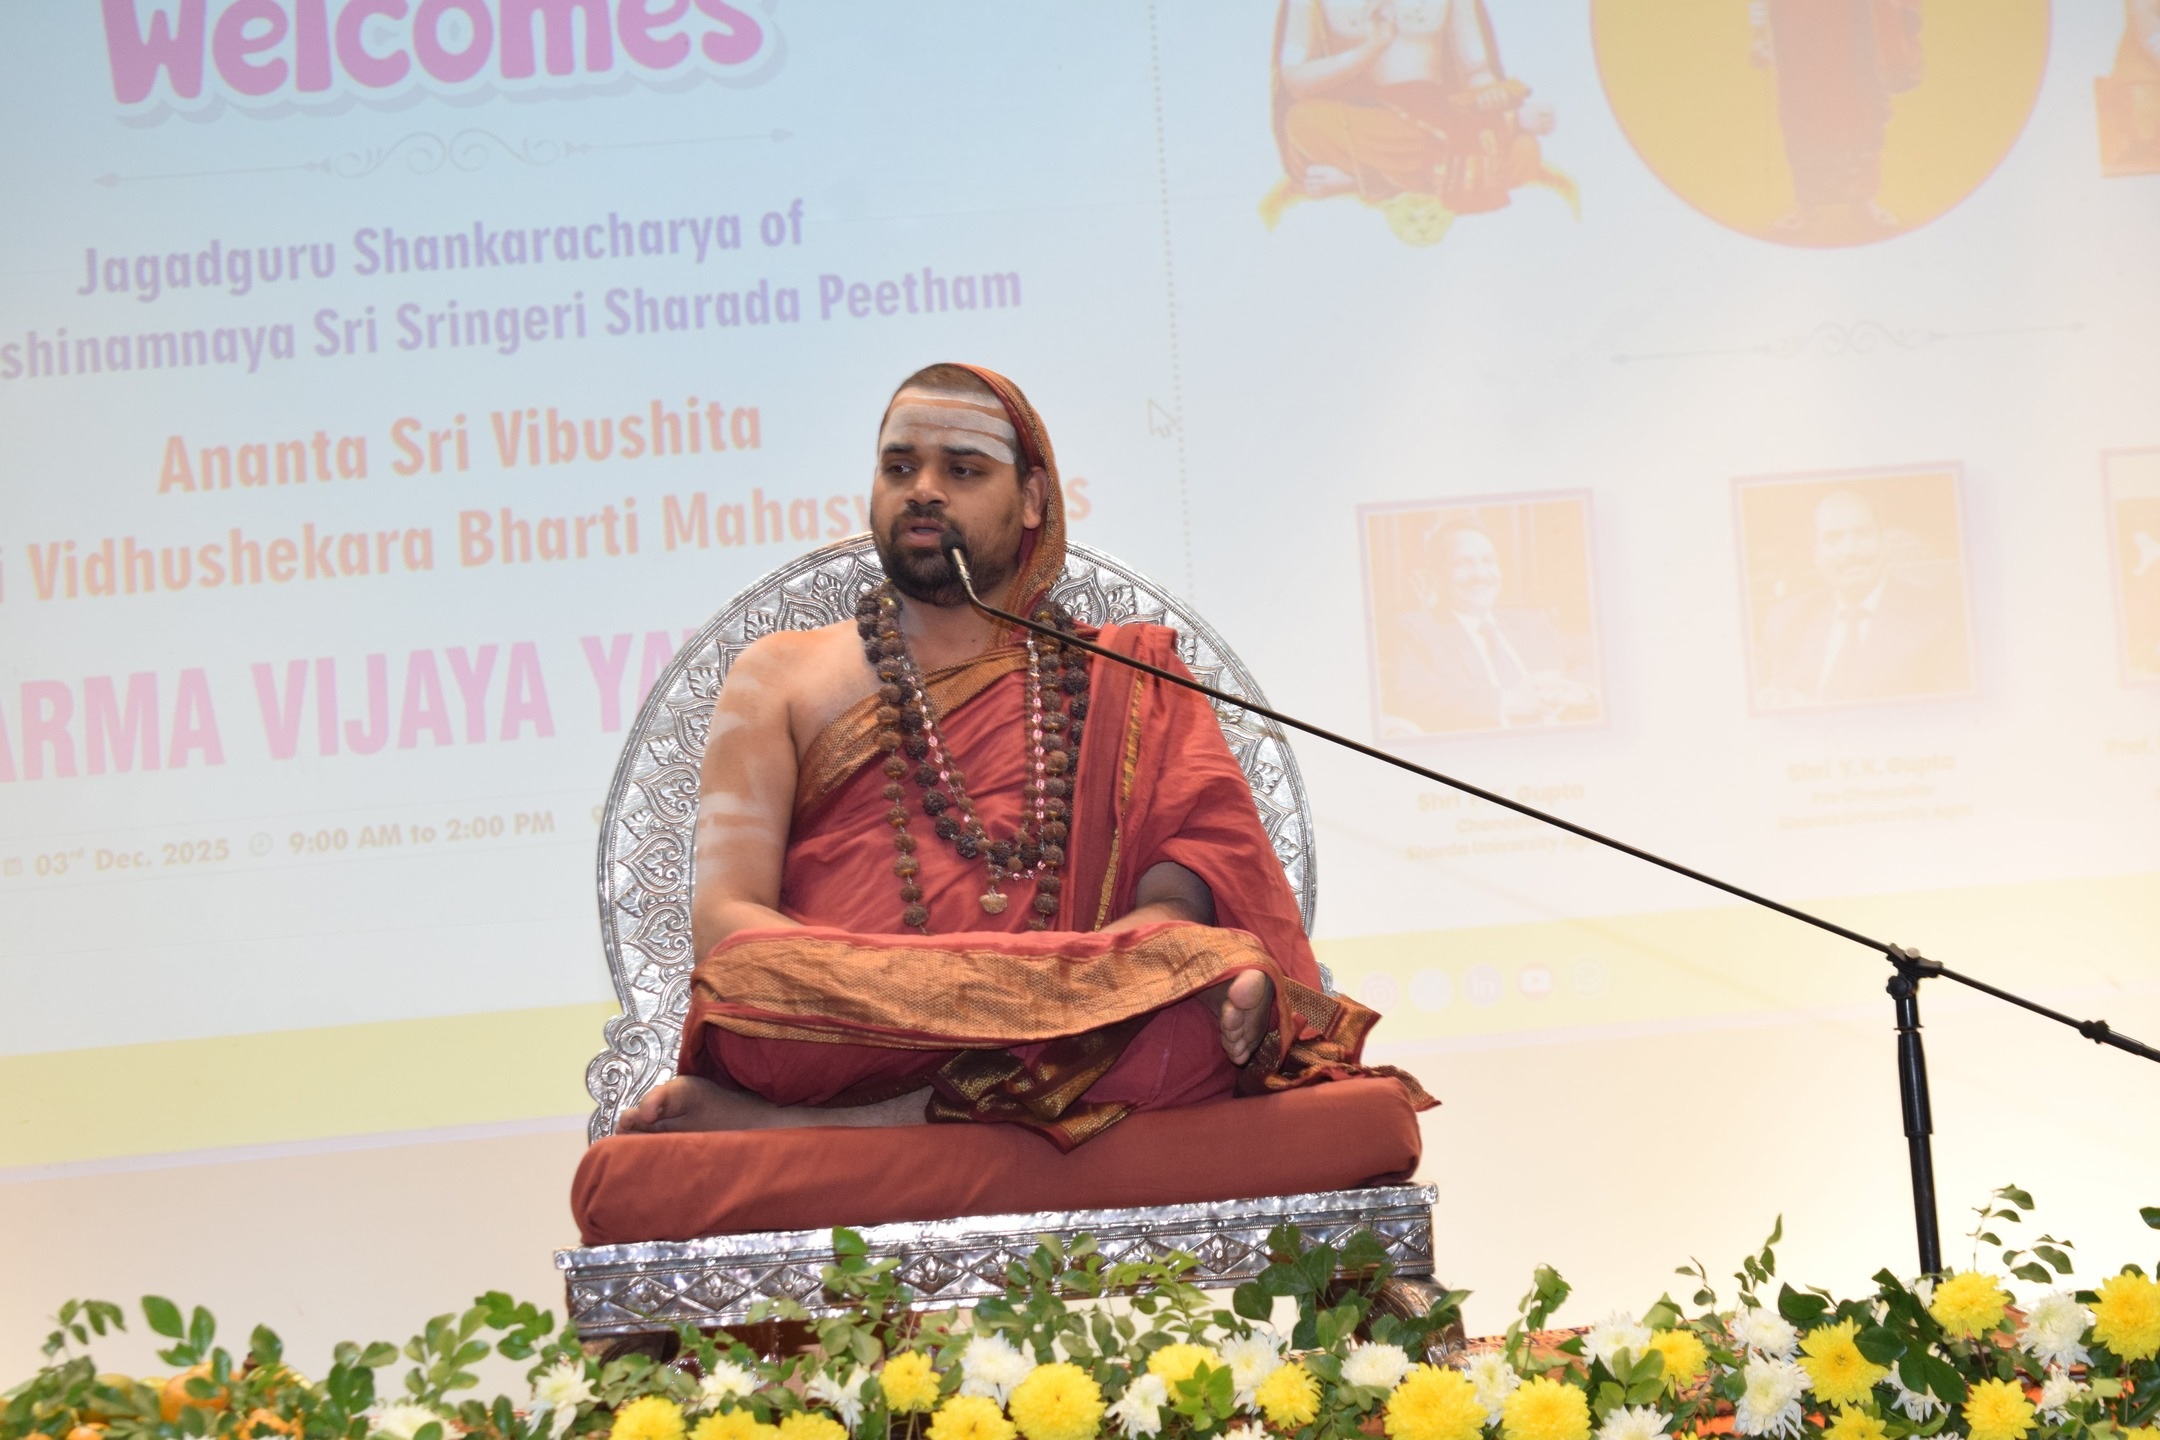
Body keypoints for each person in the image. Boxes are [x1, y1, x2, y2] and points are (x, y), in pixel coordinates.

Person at [621, 363, 1426, 1151]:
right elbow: (726, 925)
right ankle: (970, 1094)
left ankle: (833, 1128)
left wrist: (1029, 986)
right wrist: (947, 989)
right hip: (858, 1016)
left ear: (1033, 499)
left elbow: (1173, 911)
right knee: (746, 979)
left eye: (962, 469)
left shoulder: (1127, 673)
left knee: (1200, 974)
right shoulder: (779, 676)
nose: (923, 488)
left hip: (1066, 1005)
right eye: (899, 466)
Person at [1261, 0, 1571, 235]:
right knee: (1303, 121)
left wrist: (1499, 105)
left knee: (1524, 154)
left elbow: (1477, 70)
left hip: (1441, 112)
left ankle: (1365, 179)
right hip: (1366, 115)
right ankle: (1468, 153)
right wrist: (1369, 50)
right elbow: (1296, 81)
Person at [1755, 489, 1973, 709]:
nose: (1850, 550)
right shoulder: (1785, 620)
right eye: (1833, 539)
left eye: (1863, 534)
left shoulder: (1940, 619)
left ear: (1883, 541)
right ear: (1816, 553)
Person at [1386, 520, 1597, 733]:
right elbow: (1414, 695)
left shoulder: (1528, 621)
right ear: (1438, 574)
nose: (1481, 574)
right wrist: (1508, 703)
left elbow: (1593, 654)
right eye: (1463, 564)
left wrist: (1580, 689)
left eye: (1488, 561)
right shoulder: (1416, 630)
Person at [1748, 0, 1924, 239]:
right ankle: (1807, 202)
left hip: (1856, 23)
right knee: (1802, 108)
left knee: (1861, 104)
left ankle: (1864, 199)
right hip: (1797, 27)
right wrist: (1759, 34)